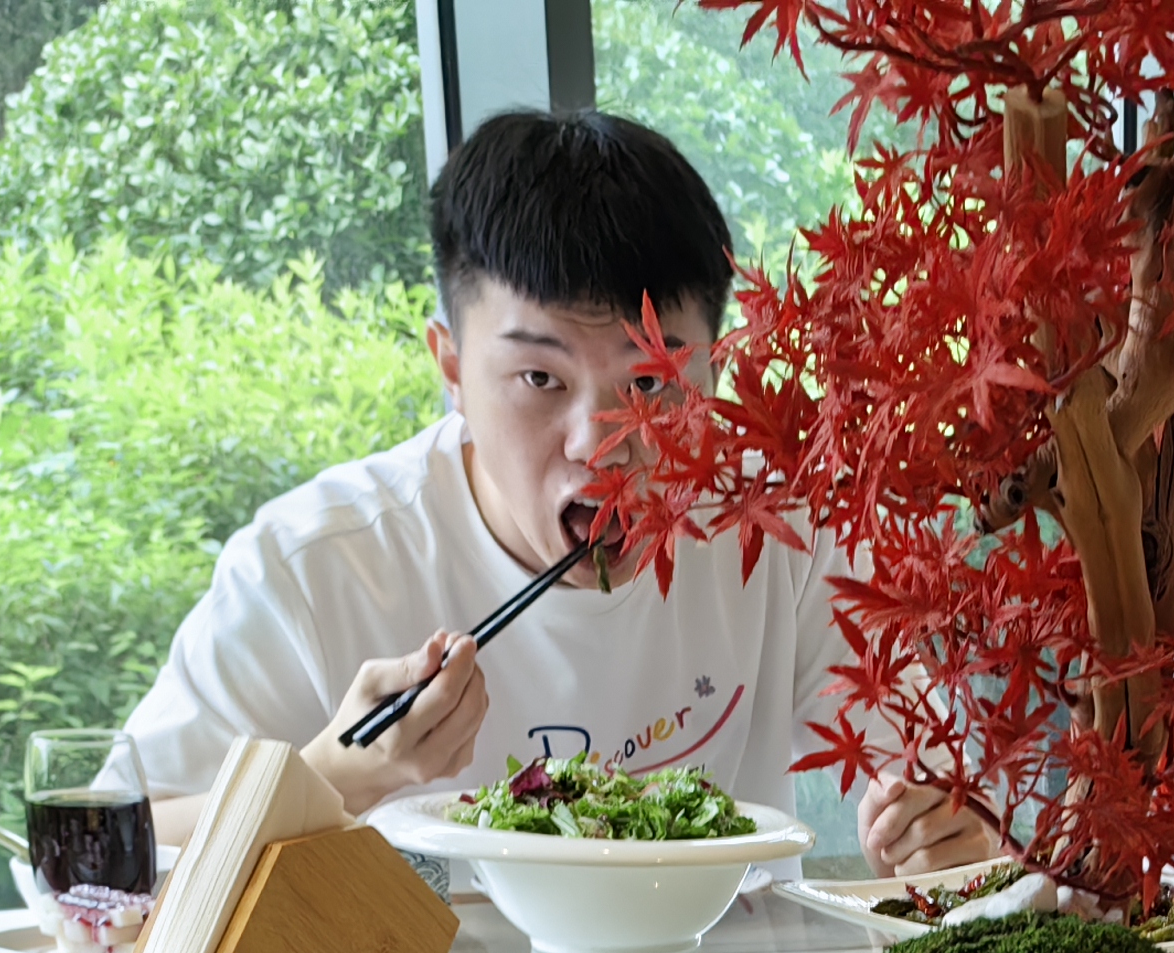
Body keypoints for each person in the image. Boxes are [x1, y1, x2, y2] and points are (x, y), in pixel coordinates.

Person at [124, 108, 986, 868]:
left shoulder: (783, 522)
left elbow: (946, 795)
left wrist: (945, 831)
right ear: (452, 369)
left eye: (650, 383)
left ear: (715, 373)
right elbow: (108, 855)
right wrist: (339, 775)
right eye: (539, 378)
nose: (600, 442)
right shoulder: (317, 566)